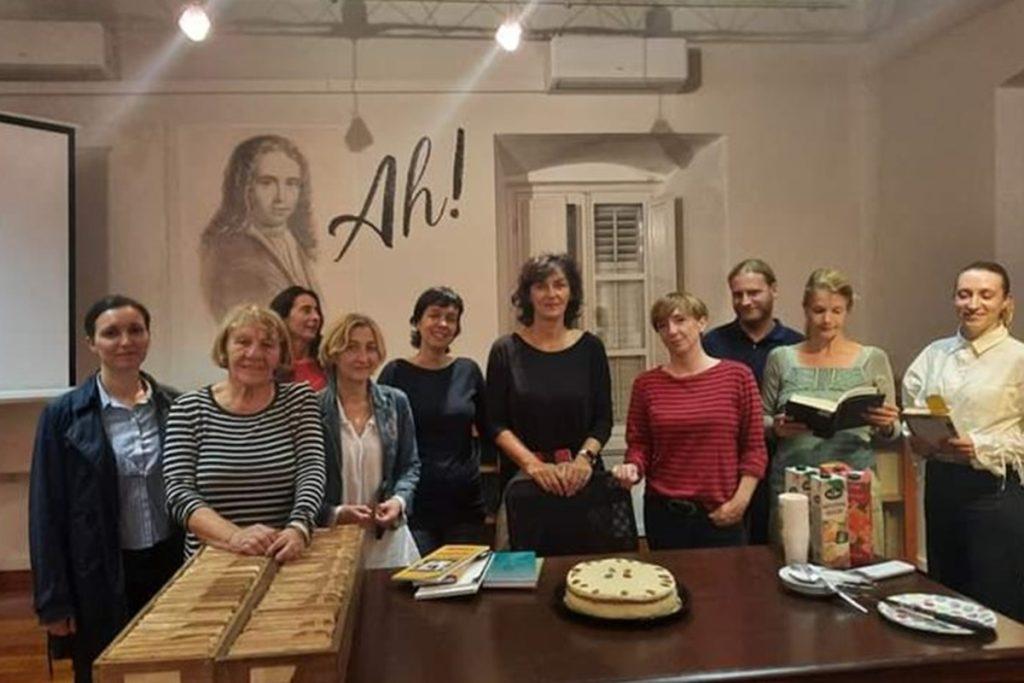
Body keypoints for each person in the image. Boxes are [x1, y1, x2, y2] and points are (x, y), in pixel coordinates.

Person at [29, 295, 183, 683]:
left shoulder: (176, 405)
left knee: (171, 669)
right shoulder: (62, 416)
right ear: (91, 343)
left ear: (148, 337)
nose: (125, 341)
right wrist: (53, 601)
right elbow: (46, 511)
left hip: (170, 565)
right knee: (105, 672)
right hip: (98, 573)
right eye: (111, 333)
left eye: (136, 330)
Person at [903, 261, 1024, 620]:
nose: (973, 304)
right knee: (946, 594)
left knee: (997, 597)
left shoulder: (1018, 358)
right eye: (964, 294)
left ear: (1005, 302)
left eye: (986, 295)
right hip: (941, 485)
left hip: (995, 490)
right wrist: (917, 437)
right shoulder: (934, 354)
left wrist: (981, 445)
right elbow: (913, 411)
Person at [163, 304, 326, 561]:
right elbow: (178, 492)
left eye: (267, 345)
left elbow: (311, 470)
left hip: (283, 555)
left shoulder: (299, 400)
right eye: (243, 342)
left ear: (281, 353)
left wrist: (298, 528)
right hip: (210, 563)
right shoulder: (188, 408)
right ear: (224, 348)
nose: (254, 353)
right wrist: (235, 536)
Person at [611, 292, 767, 549]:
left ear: (702, 322)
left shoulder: (738, 377)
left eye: (680, 320)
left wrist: (740, 502)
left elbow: (754, 449)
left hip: (722, 512)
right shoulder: (646, 384)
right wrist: (632, 468)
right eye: (662, 325)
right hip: (664, 515)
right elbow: (640, 445)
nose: (672, 331)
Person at [761, 268, 899, 542]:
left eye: (836, 311)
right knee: (793, 556)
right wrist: (776, 428)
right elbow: (761, 419)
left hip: (854, 478)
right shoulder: (781, 358)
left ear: (848, 310)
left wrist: (886, 424)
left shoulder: (873, 358)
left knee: (857, 557)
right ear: (805, 309)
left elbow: (892, 429)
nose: (827, 320)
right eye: (819, 310)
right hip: (795, 481)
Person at [486, 253, 613, 500]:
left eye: (559, 285)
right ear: (528, 295)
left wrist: (583, 459)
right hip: (526, 481)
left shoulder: (591, 348)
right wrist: (533, 465)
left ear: (571, 293)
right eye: (541, 286)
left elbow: (603, 420)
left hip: (581, 480)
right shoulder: (505, 350)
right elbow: (495, 424)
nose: (551, 294)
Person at [378, 287, 489, 555]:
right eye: (434, 315)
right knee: (418, 578)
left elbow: (490, 428)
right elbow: (381, 438)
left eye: (451, 318)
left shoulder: (468, 371)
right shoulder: (395, 372)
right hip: (414, 504)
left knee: (467, 577)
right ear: (417, 321)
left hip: (464, 504)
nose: (443, 324)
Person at [703, 258, 803, 545]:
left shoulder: (797, 346)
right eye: (738, 294)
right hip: (725, 466)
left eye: (754, 292)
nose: (745, 301)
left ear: (774, 290)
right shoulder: (712, 343)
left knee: (776, 546)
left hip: (781, 462)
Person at [318, 312, 422, 569]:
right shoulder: (313, 408)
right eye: (352, 347)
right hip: (331, 542)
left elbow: (410, 466)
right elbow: (303, 480)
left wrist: (398, 502)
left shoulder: (396, 402)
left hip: (389, 541)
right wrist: (335, 513)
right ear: (334, 353)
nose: (363, 357)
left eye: (371, 348)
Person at [200, 134, 321, 321]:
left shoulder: (294, 243)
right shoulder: (231, 253)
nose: (281, 197)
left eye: (291, 183)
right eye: (267, 183)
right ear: (245, 188)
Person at [269, 285, 327, 391]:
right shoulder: (268, 363)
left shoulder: (327, 361)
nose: (316, 317)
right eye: (306, 311)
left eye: (317, 311)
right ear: (283, 318)